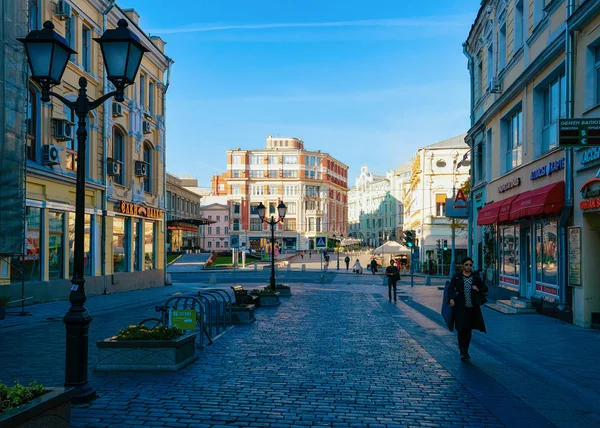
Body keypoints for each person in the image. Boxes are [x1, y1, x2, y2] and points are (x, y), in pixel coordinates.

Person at [448, 257, 488, 360]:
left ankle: (466, 350)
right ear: (462, 265)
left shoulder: (475, 277)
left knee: (468, 330)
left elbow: (485, 288)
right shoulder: (457, 277)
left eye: (470, 265)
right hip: (460, 308)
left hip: (472, 308)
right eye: (466, 264)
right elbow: (450, 289)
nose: (468, 267)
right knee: (461, 329)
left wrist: (478, 289)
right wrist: (451, 299)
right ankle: (462, 351)